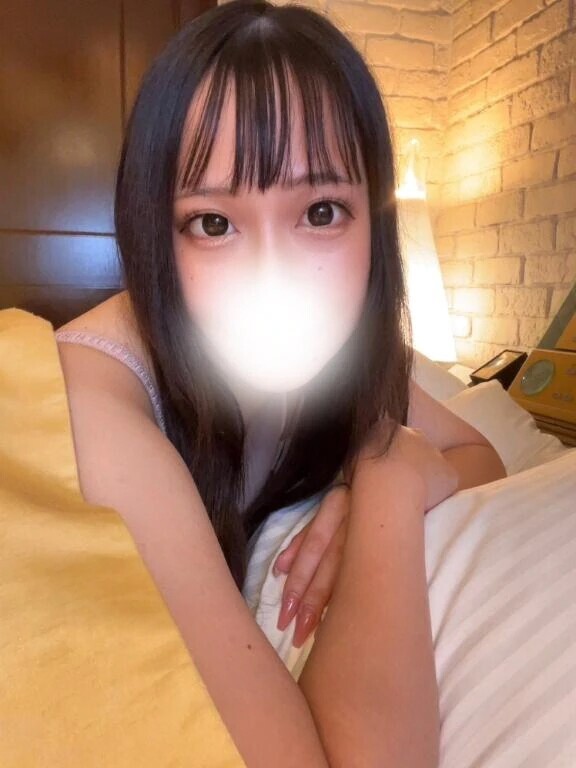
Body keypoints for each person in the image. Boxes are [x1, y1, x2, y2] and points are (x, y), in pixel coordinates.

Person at [54, 1, 506, 765]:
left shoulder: (354, 355)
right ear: (154, 231)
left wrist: (383, 474)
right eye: (213, 224)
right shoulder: (96, 410)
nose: (274, 277)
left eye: (321, 212)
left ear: (374, 223)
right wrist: (391, 481)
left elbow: (480, 453)